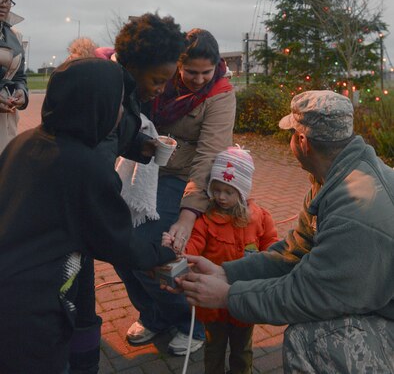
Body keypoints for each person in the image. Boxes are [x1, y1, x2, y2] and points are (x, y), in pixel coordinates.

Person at [176, 90, 394, 373]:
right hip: (379, 296)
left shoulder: (356, 211)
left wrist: (228, 296)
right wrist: (227, 273)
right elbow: (293, 252)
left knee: (310, 340)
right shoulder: (335, 178)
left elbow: (306, 294)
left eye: (291, 133)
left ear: (302, 141)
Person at [0, 58, 177, 374]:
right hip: (31, 317)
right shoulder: (87, 167)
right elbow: (117, 242)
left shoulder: (24, 143)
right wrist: (162, 253)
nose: (122, 112)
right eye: (119, 104)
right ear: (99, 106)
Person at [69, 13, 186, 373]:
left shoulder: (122, 92)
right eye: (157, 79)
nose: (161, 89)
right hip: (64, 241)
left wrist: (143, 148)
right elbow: (108, 226)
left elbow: (119, 134)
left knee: (83, 309)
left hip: (76, 229)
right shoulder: (109, 104)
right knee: (74, 307)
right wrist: (157, 254)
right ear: (132, 67)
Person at [121, 28, 237, 356]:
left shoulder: (221, 93)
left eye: (207, 72)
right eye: (191, 72)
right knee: (115, 240)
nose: (199, 80)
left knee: (152, 247)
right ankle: (153, 315)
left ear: (217, 66)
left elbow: (209, 156)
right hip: (145, 168)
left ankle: (189, 322)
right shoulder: (161, 80)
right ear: (177, 66)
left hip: (185, 178)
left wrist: (187, 217)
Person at [163, 146, 278, 374]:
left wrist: (272, 261)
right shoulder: (205, 220)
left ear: (242, 191)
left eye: (229, 191)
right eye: (216, 190)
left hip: (244, 298)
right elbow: (194, 244)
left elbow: (271, 244)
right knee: (214, 347)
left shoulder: (259, 217)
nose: (221, 197)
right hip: (212, 303)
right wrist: (177, 247)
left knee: (242, 348)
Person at [0, 0, 28, 153]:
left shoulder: (15, 36)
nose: (4, 4)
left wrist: (21, 92)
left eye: (9, 0)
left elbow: (20, 76)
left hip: (6, 123)